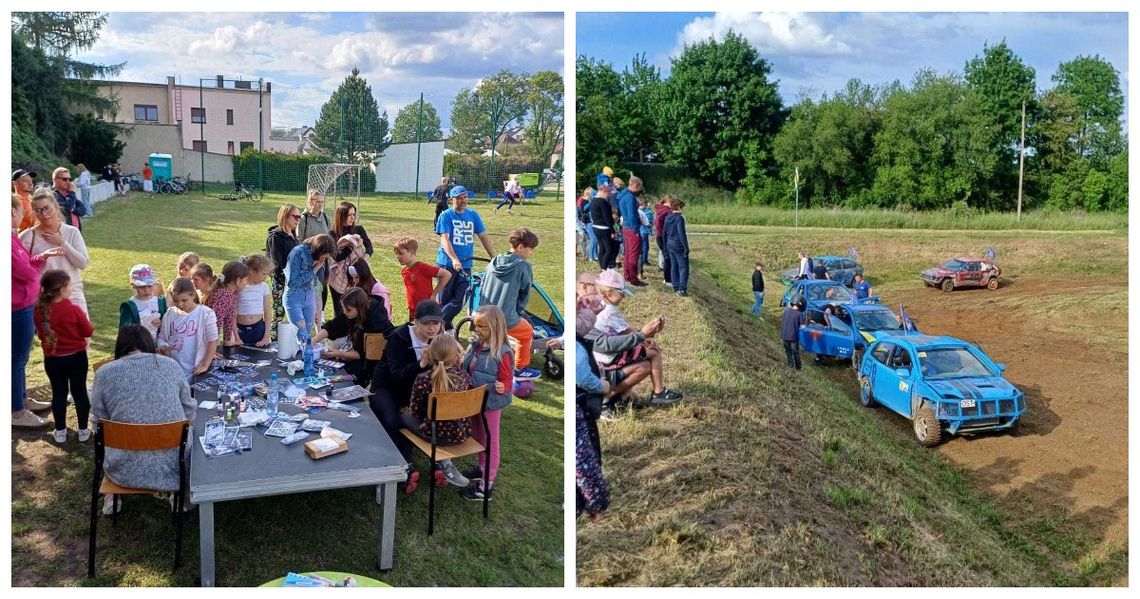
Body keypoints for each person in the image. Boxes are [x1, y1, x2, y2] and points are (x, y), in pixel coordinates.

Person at [91, 325, 195, 515]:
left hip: (121, 470)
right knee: (190, 430)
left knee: (104, 435)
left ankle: (111, 495)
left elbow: (99, 422)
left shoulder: (104, 373)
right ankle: (181, 496)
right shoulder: (171, 365)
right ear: (149, 344)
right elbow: (188, 409)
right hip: (174, 467)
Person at [369, 299, 445, 493]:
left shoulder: (440, 338)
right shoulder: (399, 338)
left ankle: (431, 463)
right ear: (415, 322)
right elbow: (395, 376)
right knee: (393, 421)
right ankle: (399, 466)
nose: (431, 328)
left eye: (435, 323)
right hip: (387, 387)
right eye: (426, 323)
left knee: (431, 416)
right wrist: (421, 364)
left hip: (416, 390)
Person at [592, 269, 682, 406]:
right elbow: (630, 333)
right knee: (655, 353)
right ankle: (659, 392)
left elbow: (629, 335)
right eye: (621, 294)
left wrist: (646, 338)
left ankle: (622, 395)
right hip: (608, 358)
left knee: (645, 365)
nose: (624, 297)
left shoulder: (601, 305)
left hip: (603, 356)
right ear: (609, 294)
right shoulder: (609, 312)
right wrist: (647, 335)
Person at [400, 333, 474, 490]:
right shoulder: (464, 377)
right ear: (456, 356)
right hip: (461, 433)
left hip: (435, 436)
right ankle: (443, 465)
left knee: (402, 417)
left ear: (430, 354)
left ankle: (406, 464)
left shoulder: (423, 378)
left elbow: (415, 411)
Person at [459, 305, 515, 502]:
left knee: (490, 441)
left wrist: (504, 385)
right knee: (478, 436)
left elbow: (508, 379)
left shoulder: (502, 352)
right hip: (474, 400)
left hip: (490, 403)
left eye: (482, 327)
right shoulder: (476, 345)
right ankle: (481, 467)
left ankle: (486, 485)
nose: (477, 330)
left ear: (495, 327)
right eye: (476, 326)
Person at [12, 195, 59, 429]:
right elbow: (27, 273)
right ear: (12, 213)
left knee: (20, 358)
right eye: (24, 211)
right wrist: (35, 266)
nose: (26, 215)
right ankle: (17, 412)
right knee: (16, 360)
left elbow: (27, 263)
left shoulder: (12, 237)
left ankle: (21, 399)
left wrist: (41, 257)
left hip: (24, 305)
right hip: (18, 308)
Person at [35, 270, 94, 443]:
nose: (71, 289)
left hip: (53, 360)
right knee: (79, 392)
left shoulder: (39, 310)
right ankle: (83, 431)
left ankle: (60, 432)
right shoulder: (73, 309)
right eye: (69, 286)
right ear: (62, 290)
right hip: (76, 358)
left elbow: (41, 333)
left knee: (58, 394)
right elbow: (87, 331)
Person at [480, 228, 541, 378]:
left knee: (488, 338)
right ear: (521, 247)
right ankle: (520, 369)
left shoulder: (494, 260)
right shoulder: (523, 266)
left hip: (483, 314)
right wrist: (518, 313)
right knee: (526, 332)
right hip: (505, 317)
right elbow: (524, 294)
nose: (531, 253)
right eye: (530, 250)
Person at [20, 188, 90, 315]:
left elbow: (83, 263)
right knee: (52, 335)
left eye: (47, 208)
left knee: (81, 334)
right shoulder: (27, 236)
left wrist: (62, 242)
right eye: (38, 211)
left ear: (57, 207)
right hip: (45, 297)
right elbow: (21, 269)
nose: (44, 214)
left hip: (72, 293)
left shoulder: (72, 232)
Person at [435, 185, 495, 329]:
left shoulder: (473, 215)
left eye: (465, 197)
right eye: (459, 198)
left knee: (462, 298)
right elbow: (445, 239)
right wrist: (454, 259)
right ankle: (444, 326)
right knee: (445, 298)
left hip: (466, 264)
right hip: (447, 263)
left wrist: (494, 257)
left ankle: (438, 323)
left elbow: (483, 236)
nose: (463, 200)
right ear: (452, 199)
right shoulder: (446, 215)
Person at [310, 287, 393, 383]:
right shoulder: (353, 311)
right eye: (343, 308)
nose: (345, 312)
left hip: (374, 364)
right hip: (360, 357)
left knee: (342, 378)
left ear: (359, 307)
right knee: (333, 369)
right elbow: (334, 326)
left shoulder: (375, 323)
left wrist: (339, 353)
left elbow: (363, 354)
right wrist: (314, 340)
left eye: (348, 310)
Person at [575, 309, 610, 521]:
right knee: (586, 452)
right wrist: (598, 500)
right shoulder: (577, 348)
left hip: (586, 409)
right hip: (584, 408)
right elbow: (582, 459)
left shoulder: (577, 344)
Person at [156, 277, 219, 381]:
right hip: (173, 369)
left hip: (195, 370)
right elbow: (161, 337)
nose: (180, 304)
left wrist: (205, 364)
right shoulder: (170, 314)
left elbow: (213, 340)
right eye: (176, 301)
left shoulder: (206, 313)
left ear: (193, 295)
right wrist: (163, 346)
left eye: (184, 300)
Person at [283, 234, 337, 341]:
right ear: (316, 251)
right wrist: (314, 270)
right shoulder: (297, 253)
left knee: (307, 334)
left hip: (310, 296)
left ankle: (305, 356)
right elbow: (292, 282)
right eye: (323, 256)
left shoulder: (319, 259)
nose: (324, 260)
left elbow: (317, 283)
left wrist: (318, 308)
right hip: (294, 297)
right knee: (301, 333)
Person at [329, 200, 372, 318]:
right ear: (341, 216)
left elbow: (369, 247)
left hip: (358, 273)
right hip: (339, 275)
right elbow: (337, 256)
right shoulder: (332, 233)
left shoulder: (359, 229)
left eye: (354, 214)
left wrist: (363, 260)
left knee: (359, 306)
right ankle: (339, 335)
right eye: (349, 215)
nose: (352, 218)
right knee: (340, 310)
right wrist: (352, 246)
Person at [395, 236, 450, 323]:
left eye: (401, 253)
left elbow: (447, 274)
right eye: (396, 254)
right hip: (413, 312)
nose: (398, 256)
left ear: (412, 253)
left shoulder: (422, 267)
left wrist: (434, 294)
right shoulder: (404, 271)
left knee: (426, 334)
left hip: (426, 311)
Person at [266, 203, 300, 337]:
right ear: (285, 216)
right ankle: (274, 343)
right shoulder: (276, 237)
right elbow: (275, 264)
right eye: (295, 217)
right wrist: (287, 282)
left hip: (295, 283)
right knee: (278, 315)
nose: (298, 220)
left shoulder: (293, 235)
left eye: (299, 217)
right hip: (281, 284)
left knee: (295, 314)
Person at [296, 190, 331, 312]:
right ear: (310, 201)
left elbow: (329, 237)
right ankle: (308, 312)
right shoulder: (303, 219)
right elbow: (298, 241)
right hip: (309, 261)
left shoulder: (325, 217)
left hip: (324, 260)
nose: (320, 204)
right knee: (310, 287)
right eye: (317, 202)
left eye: (322, 202)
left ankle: (320, 314)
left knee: (323, 287)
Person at [118, 264, 167, 340]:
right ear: (133, 285)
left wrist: (161, 323)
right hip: (138, 347)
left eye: (150, 286)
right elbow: (124, 332)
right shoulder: (129, 306)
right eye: (141, 287)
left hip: (159, 346)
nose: (146, 290)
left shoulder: (160, 302)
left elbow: (168, 323)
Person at [236, 254, 274, 347]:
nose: (266, 277)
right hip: (240, 330)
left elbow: (268, 312)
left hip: (258, 329)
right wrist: (235, 336)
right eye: (264, 274)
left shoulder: (264, 287)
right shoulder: (239, 286)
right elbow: (232, 313)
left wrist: (266, 336)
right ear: (252, 270)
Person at [615, 176, 646, 287]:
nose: (640, 189)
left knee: (628, 254)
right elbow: (632, 215)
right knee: (633, 255)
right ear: (635, 185)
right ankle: (633, 278)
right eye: (639, 187)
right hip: (632, 228)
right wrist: (636, 229)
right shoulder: (630, 198)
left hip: (626, 228)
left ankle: (627, 275)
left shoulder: (623, 195)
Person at [664, 197, 690, 296]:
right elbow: (681, 234)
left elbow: (664, 233)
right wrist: (686, 247)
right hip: (678, 244)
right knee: (683, 267)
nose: (683, 210)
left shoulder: (668, 217)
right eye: (682, 207)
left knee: (674, 265)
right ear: (679, 207)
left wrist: (665, 247)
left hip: (669, 243)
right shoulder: (679, 218)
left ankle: (675, 285)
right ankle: (682, 289)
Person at [590, 184, 618, 270]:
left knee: (602, 248)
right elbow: (607, 218)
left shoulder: (594, 200)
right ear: (603, 191)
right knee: (609, 250)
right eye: (608, 193)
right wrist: (613, 230)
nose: (608, 196)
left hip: (595, 226)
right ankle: (604, 268)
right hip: (604, 228)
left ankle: (602, 267)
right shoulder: (602, 202)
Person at [51, 167, 85, 231]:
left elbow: (83, 210)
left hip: (76, 232)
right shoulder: (52, 194)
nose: (68, 182)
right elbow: (67, 208)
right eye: (64, 179)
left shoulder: (68, 193)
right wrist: (72, 192)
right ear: (55, 179)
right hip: (63, 232)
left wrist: (73, 209)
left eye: (69, 179)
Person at [780, 296, 807, 370]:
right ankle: (798, 367)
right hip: (793, 337)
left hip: (784, 335)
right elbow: (803, 326)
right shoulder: (799, 314)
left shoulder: (786, 310)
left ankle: (790, 364)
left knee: (788, 350)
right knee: (795, 352)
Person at [654, 195, 673, 288]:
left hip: (659, 236)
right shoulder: (667, 211)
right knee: (668, 258)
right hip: (664, 236)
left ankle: (667, 278)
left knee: (666, 256)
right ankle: (668, 279)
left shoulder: (659, 209)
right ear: (669, 201)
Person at [577, 187, 596, 260]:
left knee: (593, 240)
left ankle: (593, 255)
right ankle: (590, 256)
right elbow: (583, 209)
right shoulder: (583, 200)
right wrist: (590, 202)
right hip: (587, 222)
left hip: (591, 221)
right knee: (592, 239)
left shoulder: (589, 200)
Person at [637, 196, 653, 277]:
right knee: (644, 247)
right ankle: (644, 260)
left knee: (645, 247)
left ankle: (644, 260)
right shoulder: (643, 212)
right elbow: (648, 222)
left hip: (643, 232)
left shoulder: (640, 211)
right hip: (643, 231)